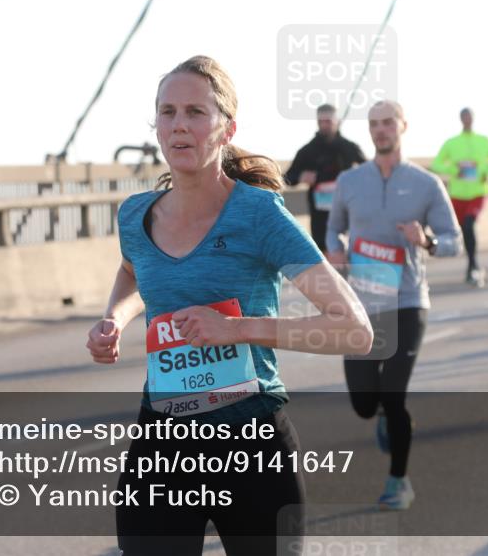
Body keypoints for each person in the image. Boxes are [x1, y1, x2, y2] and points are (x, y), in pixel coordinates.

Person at [89, 55, 373, 556]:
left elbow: (353, 329)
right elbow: (134, 271)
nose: (179, 125)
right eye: (168, 112)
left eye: (195, 112)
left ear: (227, 128)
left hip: (251, 444)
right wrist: (114, 317)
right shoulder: (135, 216)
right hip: (162, 441)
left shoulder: (258, 215)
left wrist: (236, 328)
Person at [327, 100, 461, 511]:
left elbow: (454, 241)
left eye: (388, 123)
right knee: (364, 404)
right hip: (363, 300)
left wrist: (426, 241)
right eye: (374, 124)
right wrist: (335, 251)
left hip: (407, 299)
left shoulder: (426, 184)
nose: (380, 130)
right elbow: (333, 229)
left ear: (403, 126)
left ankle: (399, 481)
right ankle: (382, 414)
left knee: (394, 393)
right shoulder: (350, 182)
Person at [430, 107, 488, 287]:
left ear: (473, 118)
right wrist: (454, 170)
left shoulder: (484, 141)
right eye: (464, 117)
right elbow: (436, 164)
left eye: (469, 117)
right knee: (464, 230)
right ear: (461, 119)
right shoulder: (452, 142)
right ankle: (472, 265)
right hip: (458, 194)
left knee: (469, 224)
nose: (467, 120)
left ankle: (473, 266)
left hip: (479, 192)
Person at [284, 103, 366, 254]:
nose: (324, 125)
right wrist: (301, 176)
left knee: (349, 252)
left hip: (348, 212)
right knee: (324, 253)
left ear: (337, 121)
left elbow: (370, 173)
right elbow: (287, 177)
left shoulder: (350, 148)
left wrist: (356, 177)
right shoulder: (307, 150)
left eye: (328, 121)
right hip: (320, 217)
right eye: (320, 121)